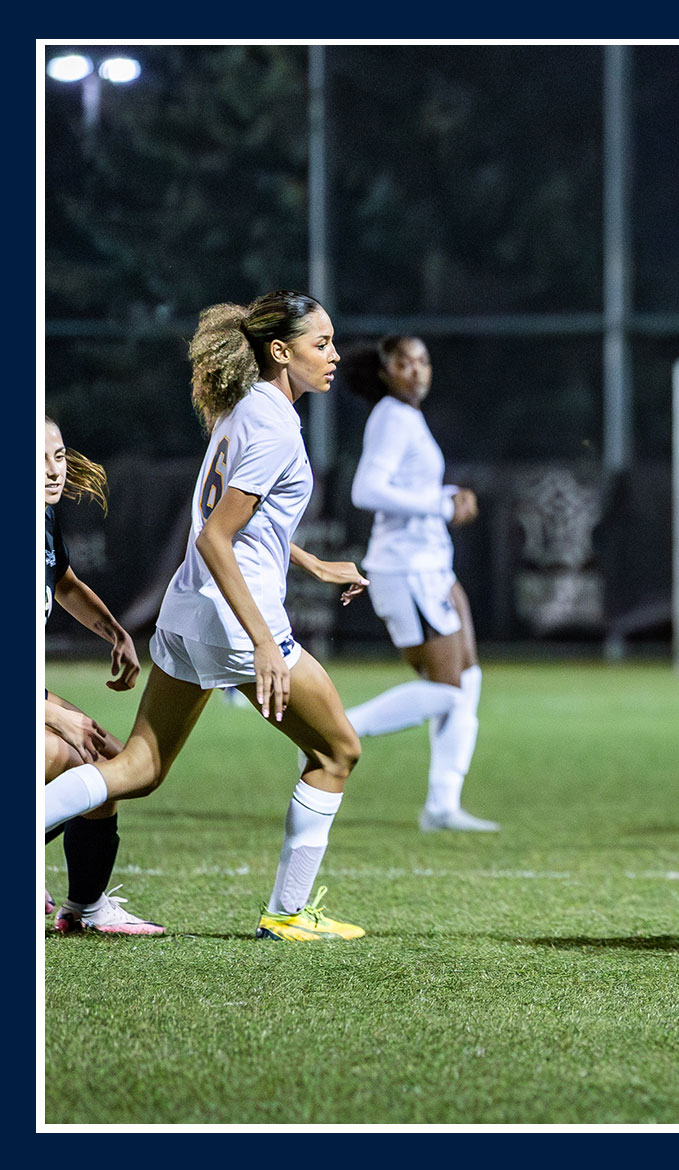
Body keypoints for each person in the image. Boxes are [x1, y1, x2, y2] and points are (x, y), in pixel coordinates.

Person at [41, 289, 373, 942]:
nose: (334, 355)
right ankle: (285, 913)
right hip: (236, 619)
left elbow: (241, 523)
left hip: (190, 610)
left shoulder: (245, 409)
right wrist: (265, 643)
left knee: (139, 768)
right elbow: (217, 537)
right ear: (281, 351)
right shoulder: (275, 425)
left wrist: (312, 565)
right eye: (321, 343)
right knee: (337, 749)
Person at [338, 335, 497, 833]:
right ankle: (336, 729)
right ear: (385, 372)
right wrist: (441, 505)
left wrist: (447, 494)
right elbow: (367, 489)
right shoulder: (391, 415)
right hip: (406, 569)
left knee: (466, 683)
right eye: (403, 363)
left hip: (432, 565)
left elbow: (406, 488)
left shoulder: (405, 416)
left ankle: (441, 806)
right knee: (447, 691)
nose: (416, 370)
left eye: (423, 361)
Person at [42, 417, 158, 935]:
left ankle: (85, 907)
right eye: (38, 459)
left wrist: (113, 630)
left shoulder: (42, 521)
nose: (52, 471)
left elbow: (61, 580)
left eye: (59, 456)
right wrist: (48, 714)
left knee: (108, 765)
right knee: (64, 758)